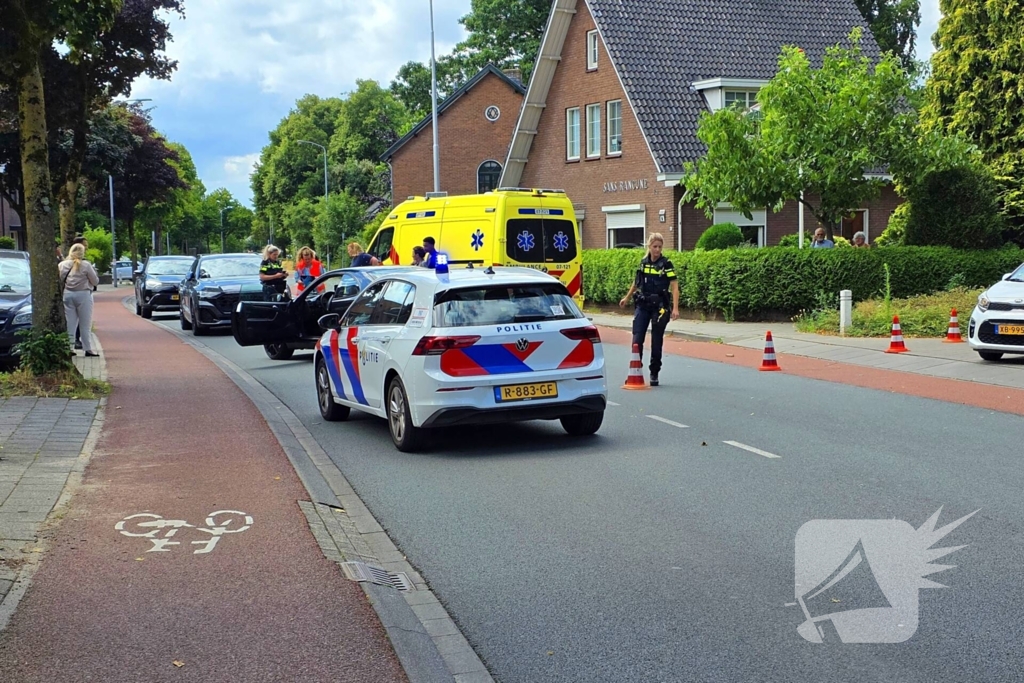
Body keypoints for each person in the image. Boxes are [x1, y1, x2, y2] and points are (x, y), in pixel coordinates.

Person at [618, 233, 679, 386]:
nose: (657, 250)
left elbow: (674, 286)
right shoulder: (643, 263)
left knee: (656, 341)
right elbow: (636, 282)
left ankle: (654, 372)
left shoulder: (666, 264)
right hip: (643, 305)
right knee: (637, 339)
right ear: (649, 247)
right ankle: (636, 370)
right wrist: (627, 297)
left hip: (660, 308)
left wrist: (675, 308)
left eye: (659, 247)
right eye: (655, 247)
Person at [59, 244, 100, 357]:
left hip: (67, 295)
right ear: (82, 253)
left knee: (70, 323)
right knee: (85, 324)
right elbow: (95, 281)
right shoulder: (86, 265)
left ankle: (69, 348)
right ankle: (87, 349)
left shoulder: (62, 265)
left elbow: (60, 279)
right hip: (84, 295)